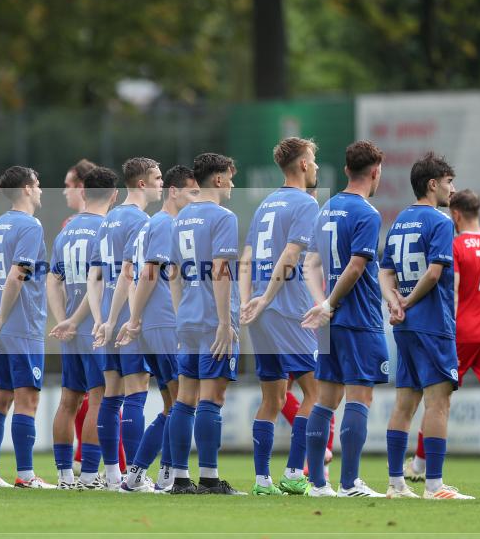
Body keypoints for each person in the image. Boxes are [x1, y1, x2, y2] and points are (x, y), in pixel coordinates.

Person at [379, 153, 473, 500]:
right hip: (432, 323)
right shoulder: (441, 221)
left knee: (404, 404)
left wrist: (394, 301)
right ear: (433, 184)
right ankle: (434, 485)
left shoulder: (400, 220)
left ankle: (395, 483)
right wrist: (407, 302)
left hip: (404, 327)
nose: (453, 188)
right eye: (449, 182)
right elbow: (434, 273)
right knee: (438, 403)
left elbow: (385, 271)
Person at [302, 140, 388, 498]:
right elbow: (356, 266)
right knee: (359, 397)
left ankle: (317, 484)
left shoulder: (326, 209)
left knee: (325, 399)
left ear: (346, 170)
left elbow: (309, 265)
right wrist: (330, 303)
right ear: (375, 172)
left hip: (330, 320)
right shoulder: (367, 213)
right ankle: (350, 483)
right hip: (358, 317)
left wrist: (322, 304)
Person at [239, 137, 324, 496]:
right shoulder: (306, 203)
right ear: (303, 164)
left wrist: (249, 302)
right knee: (317, 392)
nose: (316, 166)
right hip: (287, 309)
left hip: (261, 311)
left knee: (272, 398)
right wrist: (266, 300)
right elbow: (290, 257)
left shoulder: (265, 204)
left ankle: (262, 481)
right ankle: (293, 473)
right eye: (313, 160)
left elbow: (245, 259)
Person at [405, 189, 480, 481]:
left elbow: (454, 292)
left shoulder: (456, 245)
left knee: (438, 399)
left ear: (456, 214)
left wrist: (447, 329)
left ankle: (420, 466)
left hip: (461, 332)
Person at [116, 164, 198, 493]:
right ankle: (165, 473)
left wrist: (136, 319)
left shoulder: (150, 224)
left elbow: (131, 274)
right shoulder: (166, 224)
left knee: (171, 404)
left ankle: (146, 474)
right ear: (174, 192)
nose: (196, 199)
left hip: (154, 324)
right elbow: (149, 273)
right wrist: (135, 319)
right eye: (192, 192)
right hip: (164, 321)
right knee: (183, 401)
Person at [167, 152, 243, 496]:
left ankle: (180, 478)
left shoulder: (180, 218)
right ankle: (210, 479)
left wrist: (181, 314)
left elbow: (173, 274)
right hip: (214, 320)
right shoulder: (224, 217)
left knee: (185, 399)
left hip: (188, 318)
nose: (233, 184)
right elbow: (221, 270)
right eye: (230, 177)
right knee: (212, 398)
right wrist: (225, 322)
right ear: (218, 178)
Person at [0, 166, 54, 489]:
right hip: (22, 326)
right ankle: (26, 474)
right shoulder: (30, 226)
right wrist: (3, 318)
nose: (41, 190)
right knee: (26, 400)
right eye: (37, 184)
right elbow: (16, 275)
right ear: (26, 189)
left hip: (0, 327)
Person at [89, 157, 163, 489]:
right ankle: (136, 476)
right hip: (128, 317)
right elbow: (132, 275)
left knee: (111, 394)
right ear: (142, 183)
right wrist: (132, 319)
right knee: (136, 392)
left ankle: (113, 475)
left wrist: (100, 319)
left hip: (107, 315)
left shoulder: (107, 220)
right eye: (157, 178)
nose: (162, 184)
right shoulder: (142, 221)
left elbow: (94, 276)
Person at [48, 166, 119, 490]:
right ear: (114, 195)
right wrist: (76, 321)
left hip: (71, 332)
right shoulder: (107, 229)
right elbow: (99, 284)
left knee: (68, 401)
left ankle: (65, 476)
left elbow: (53, 279)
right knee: (99, 398)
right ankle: (89, 475)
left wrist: (63, 319)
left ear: (85, 192)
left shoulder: (67, 230)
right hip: (94, 328)